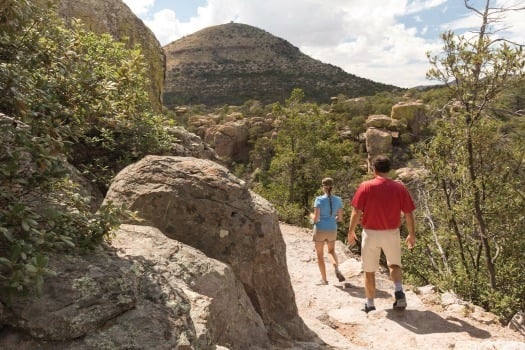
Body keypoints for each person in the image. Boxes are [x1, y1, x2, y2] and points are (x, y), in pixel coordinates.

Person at [347, 155, 416, 313]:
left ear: (374, 169)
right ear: (389, 169)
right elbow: (408, 213)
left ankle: (370, 305)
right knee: (394, 264)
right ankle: (399, 291)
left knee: (369, 271)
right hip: (391, 233)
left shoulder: (366, 186)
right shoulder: (399, 188)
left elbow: (356, 211)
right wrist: (411, 234)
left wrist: (351, 231)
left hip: (370, 234)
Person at [312, 177, 346, 285]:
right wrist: (332, 219)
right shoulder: (338, 200)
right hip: (332, 228)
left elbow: (316, 218)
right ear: (332, 186)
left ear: (323, 187)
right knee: (331, 251)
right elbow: (340, 218)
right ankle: (336, 267)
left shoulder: (319, 199)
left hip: (320, 229)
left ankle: (324, 280)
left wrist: (312, 217)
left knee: (320, 254)